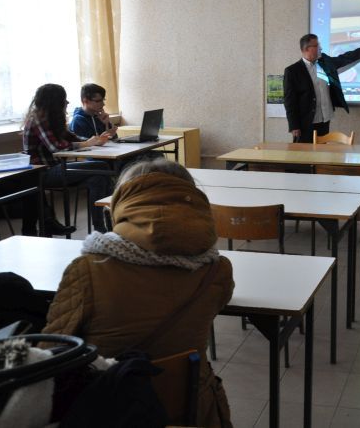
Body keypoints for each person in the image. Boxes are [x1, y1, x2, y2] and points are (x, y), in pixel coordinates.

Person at [42, 159, 234, 427]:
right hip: (191, 407)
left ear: (122, 204)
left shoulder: (87, 269)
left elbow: (49, 352)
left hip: (109, 411)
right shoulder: (217, 269)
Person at [22, 83, 112, 235]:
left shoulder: (51, 119)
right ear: (54, 102)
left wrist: (94, 141)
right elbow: (56, 147)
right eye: (64, 99)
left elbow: (72, 137)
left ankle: (101, 228)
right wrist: (85, 143)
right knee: (102, 167)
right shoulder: (38, 120)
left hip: (56, 168)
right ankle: (106, 223)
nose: (67, 102)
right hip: (43, 173)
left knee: (98, 178)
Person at [283, 33, 360, 143]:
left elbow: (345, 58)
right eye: (316, 45)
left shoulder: (324, 63)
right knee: (304, 153)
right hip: (305, 123)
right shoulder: (292, 71)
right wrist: (294, 126)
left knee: (322, 152)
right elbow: (289, 101)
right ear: (306, 49)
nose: (320, 48)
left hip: (325, 120)